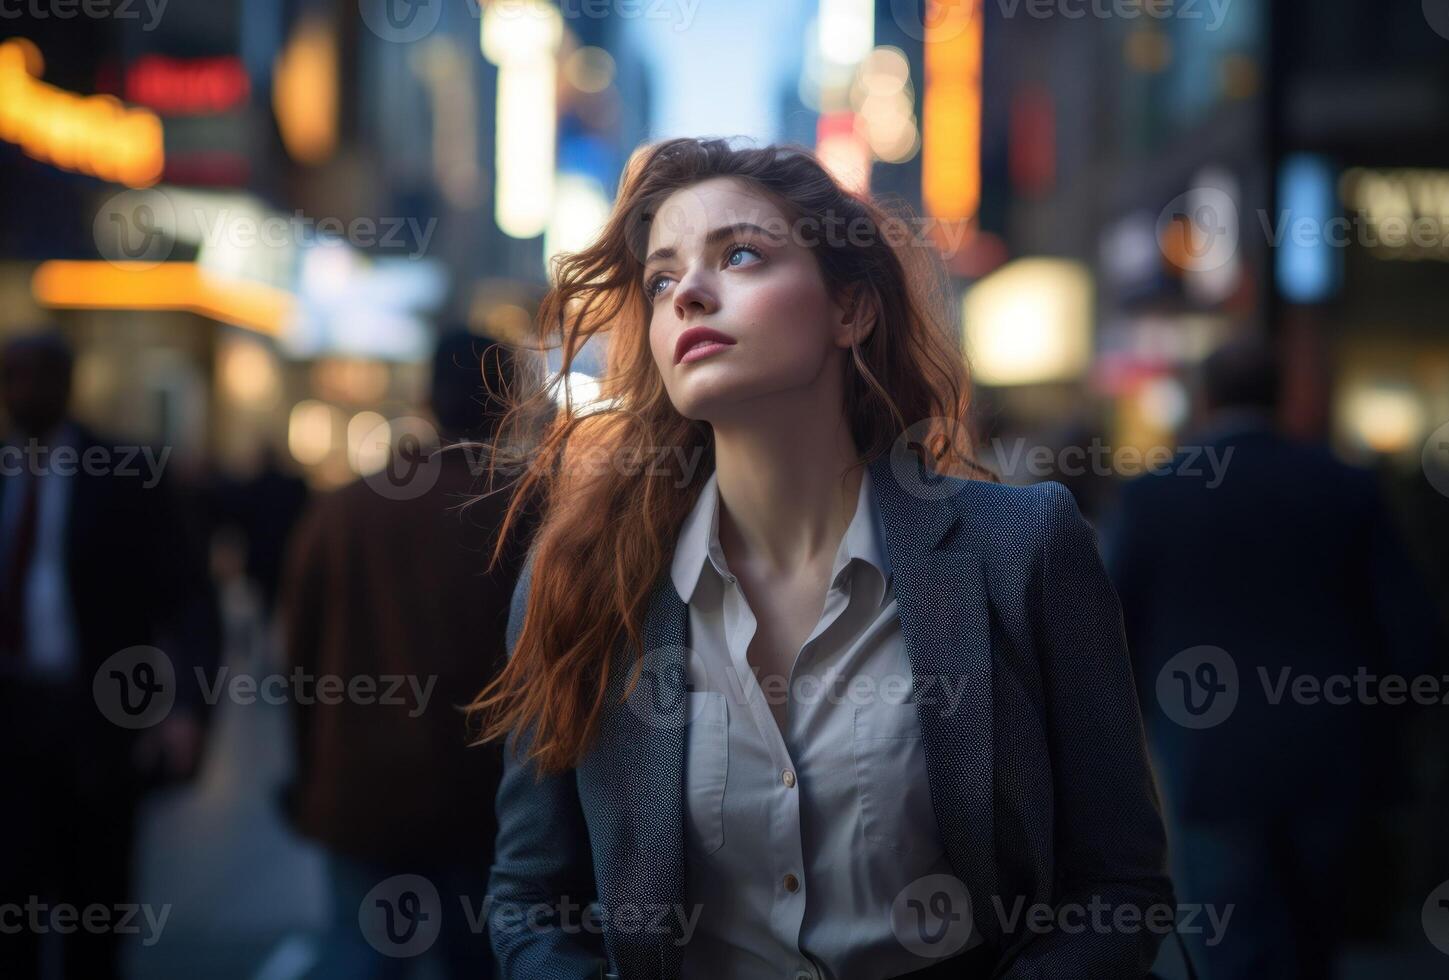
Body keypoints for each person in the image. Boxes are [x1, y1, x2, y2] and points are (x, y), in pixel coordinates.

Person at [469, 138, 1174, 979]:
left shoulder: (1021, 550)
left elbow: (1122, 885)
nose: (689, 292)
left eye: (739, 255)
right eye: (661, 280)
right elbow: (529, 903)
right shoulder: (586, 582)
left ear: (852, 310)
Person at [1105, 340, 1439, 979]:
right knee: (1314, 941)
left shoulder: (1156, 495)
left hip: (1209, 749)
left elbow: (1113, 629)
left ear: (1205, 399)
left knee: (1234, 944)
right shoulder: (1344, 485)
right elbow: (1409, 629)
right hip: (1328, 747)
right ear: (1283, 395)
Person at [280, 329, 538, 978]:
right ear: (503, 402)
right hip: (491, 801)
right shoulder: (530, 512)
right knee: (482, 959)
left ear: (426, 396)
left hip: (360, 793)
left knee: (362, 954)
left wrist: (307, 770)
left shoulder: (343, 511)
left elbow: (298, 662)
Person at [0, 330, 218, 979]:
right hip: (9, 724)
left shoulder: (123, 473)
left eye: (38, 376)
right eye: (12, 376)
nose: (24, 391)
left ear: (67, 385)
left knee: (94, 909)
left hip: (93, 724)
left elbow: (188, 597)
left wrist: (184, 708)